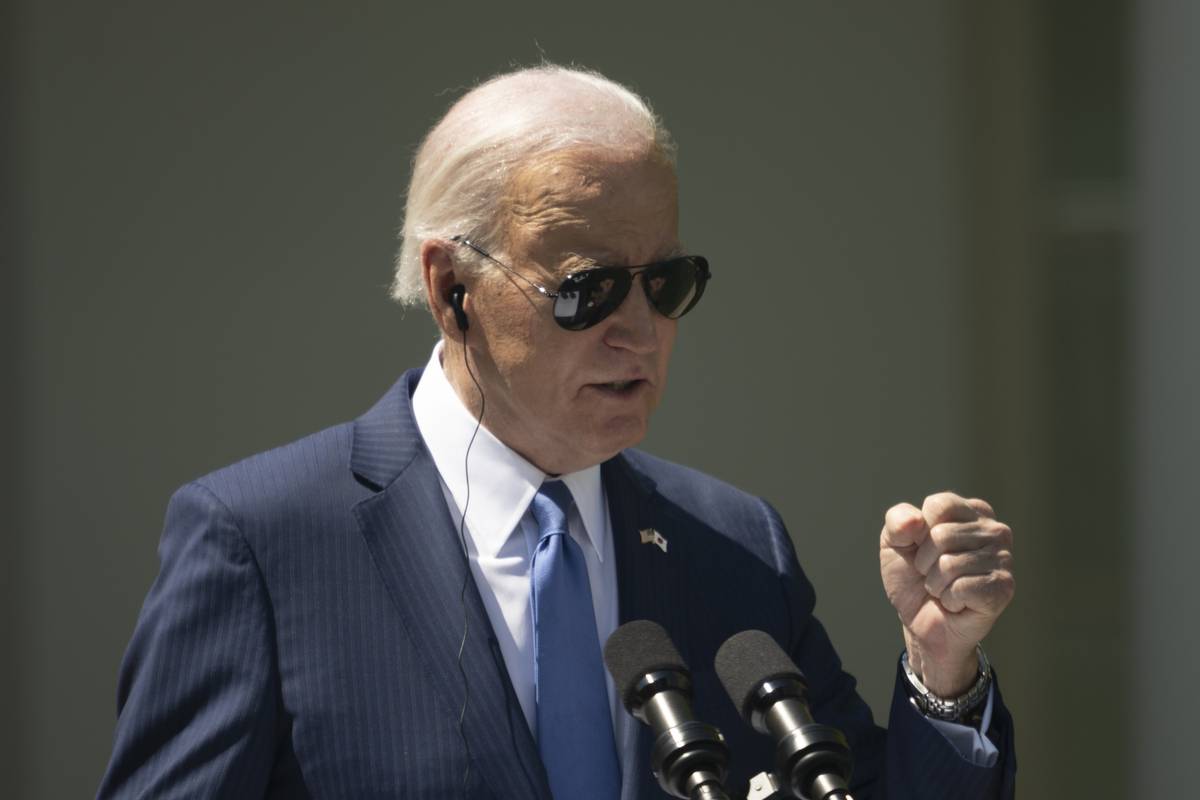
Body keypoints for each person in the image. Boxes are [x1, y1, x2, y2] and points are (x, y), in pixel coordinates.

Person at [98, 65, 1016, 799]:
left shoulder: (734, 545)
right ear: (451, 286)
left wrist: (943, 667)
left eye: (666, 284)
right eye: (587, 288)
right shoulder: (261, 541)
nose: (640, 329)